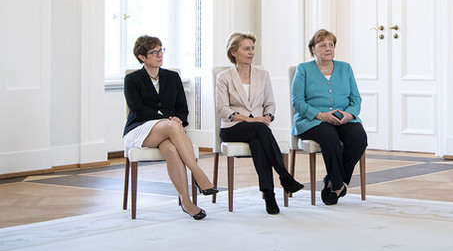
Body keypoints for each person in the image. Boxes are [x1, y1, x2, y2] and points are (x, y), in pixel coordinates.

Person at [123, 35, 218, 220]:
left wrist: (178, 119)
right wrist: (168, 120)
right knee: (172, 126)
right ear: (142, 57)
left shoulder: (172, 77)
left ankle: (187, 203)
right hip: (139, 129)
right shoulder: (132, 79)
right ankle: (198, 174)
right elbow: (138, 110)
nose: (160, 55)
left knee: (172, 149)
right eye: (154, 52)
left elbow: (183, 108)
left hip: (168, 130)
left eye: (161, 50)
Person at [215, 32, 304, 215]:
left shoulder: (262, 75)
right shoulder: (224, 77)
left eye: (253, 48)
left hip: (257, 128)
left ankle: (269, 195)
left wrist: (268, 117)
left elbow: (270, 103)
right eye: (246, 48)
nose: (251, 52)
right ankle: (284, 175)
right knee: (260, 129)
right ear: (234, 52)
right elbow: (223, 110)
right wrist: (251, 119)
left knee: (258, 142)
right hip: (233, 128)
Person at [291, 29, 368, 206]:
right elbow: (297, 102)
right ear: (313, 49)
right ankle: (337, 187)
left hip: (343, 118)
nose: (328, 48)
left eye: (331, 45)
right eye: (322, 45)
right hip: (312, 119)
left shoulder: (345, 67)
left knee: (359, 138)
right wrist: (320, 115)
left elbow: (356, 99)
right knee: (329, 137)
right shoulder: (303, 69)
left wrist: (349, 114)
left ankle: (334, 180)